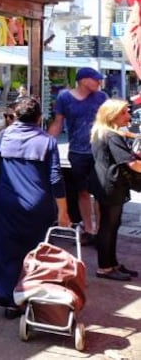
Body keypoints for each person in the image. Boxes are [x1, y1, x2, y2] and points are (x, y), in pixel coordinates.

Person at [0, 96, 70, 318]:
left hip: (7, 204)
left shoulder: (4, 136)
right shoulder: (48, 141)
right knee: (35, 252)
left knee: (5, 249)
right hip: (39, 205)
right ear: (40, 118)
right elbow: (55, 178)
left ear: (15, 117)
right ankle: (29, 294)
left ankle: (9, 297)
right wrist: (63, 211)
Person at [48, 67, 107, 243]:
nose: (99, 82)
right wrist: (46, 143)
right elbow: (58, 122)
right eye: (95, 79)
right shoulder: (65, 97)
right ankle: (89, 229)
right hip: (77, 151)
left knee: (100, 193)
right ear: (83, 80)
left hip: (99, 151)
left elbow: (109, 121)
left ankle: (101, 231)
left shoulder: (101, 97)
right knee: (82, 191)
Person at [89, 99, 141, 281]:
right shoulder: (112, 135)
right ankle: (105, 267)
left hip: (107, 183)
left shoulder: (103, 132)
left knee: (112, 225)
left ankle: (112, 264)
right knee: (108, 227)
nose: (129, 116)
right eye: (125, 112)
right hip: (110, 185)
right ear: (113, 115)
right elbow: (132, 163)